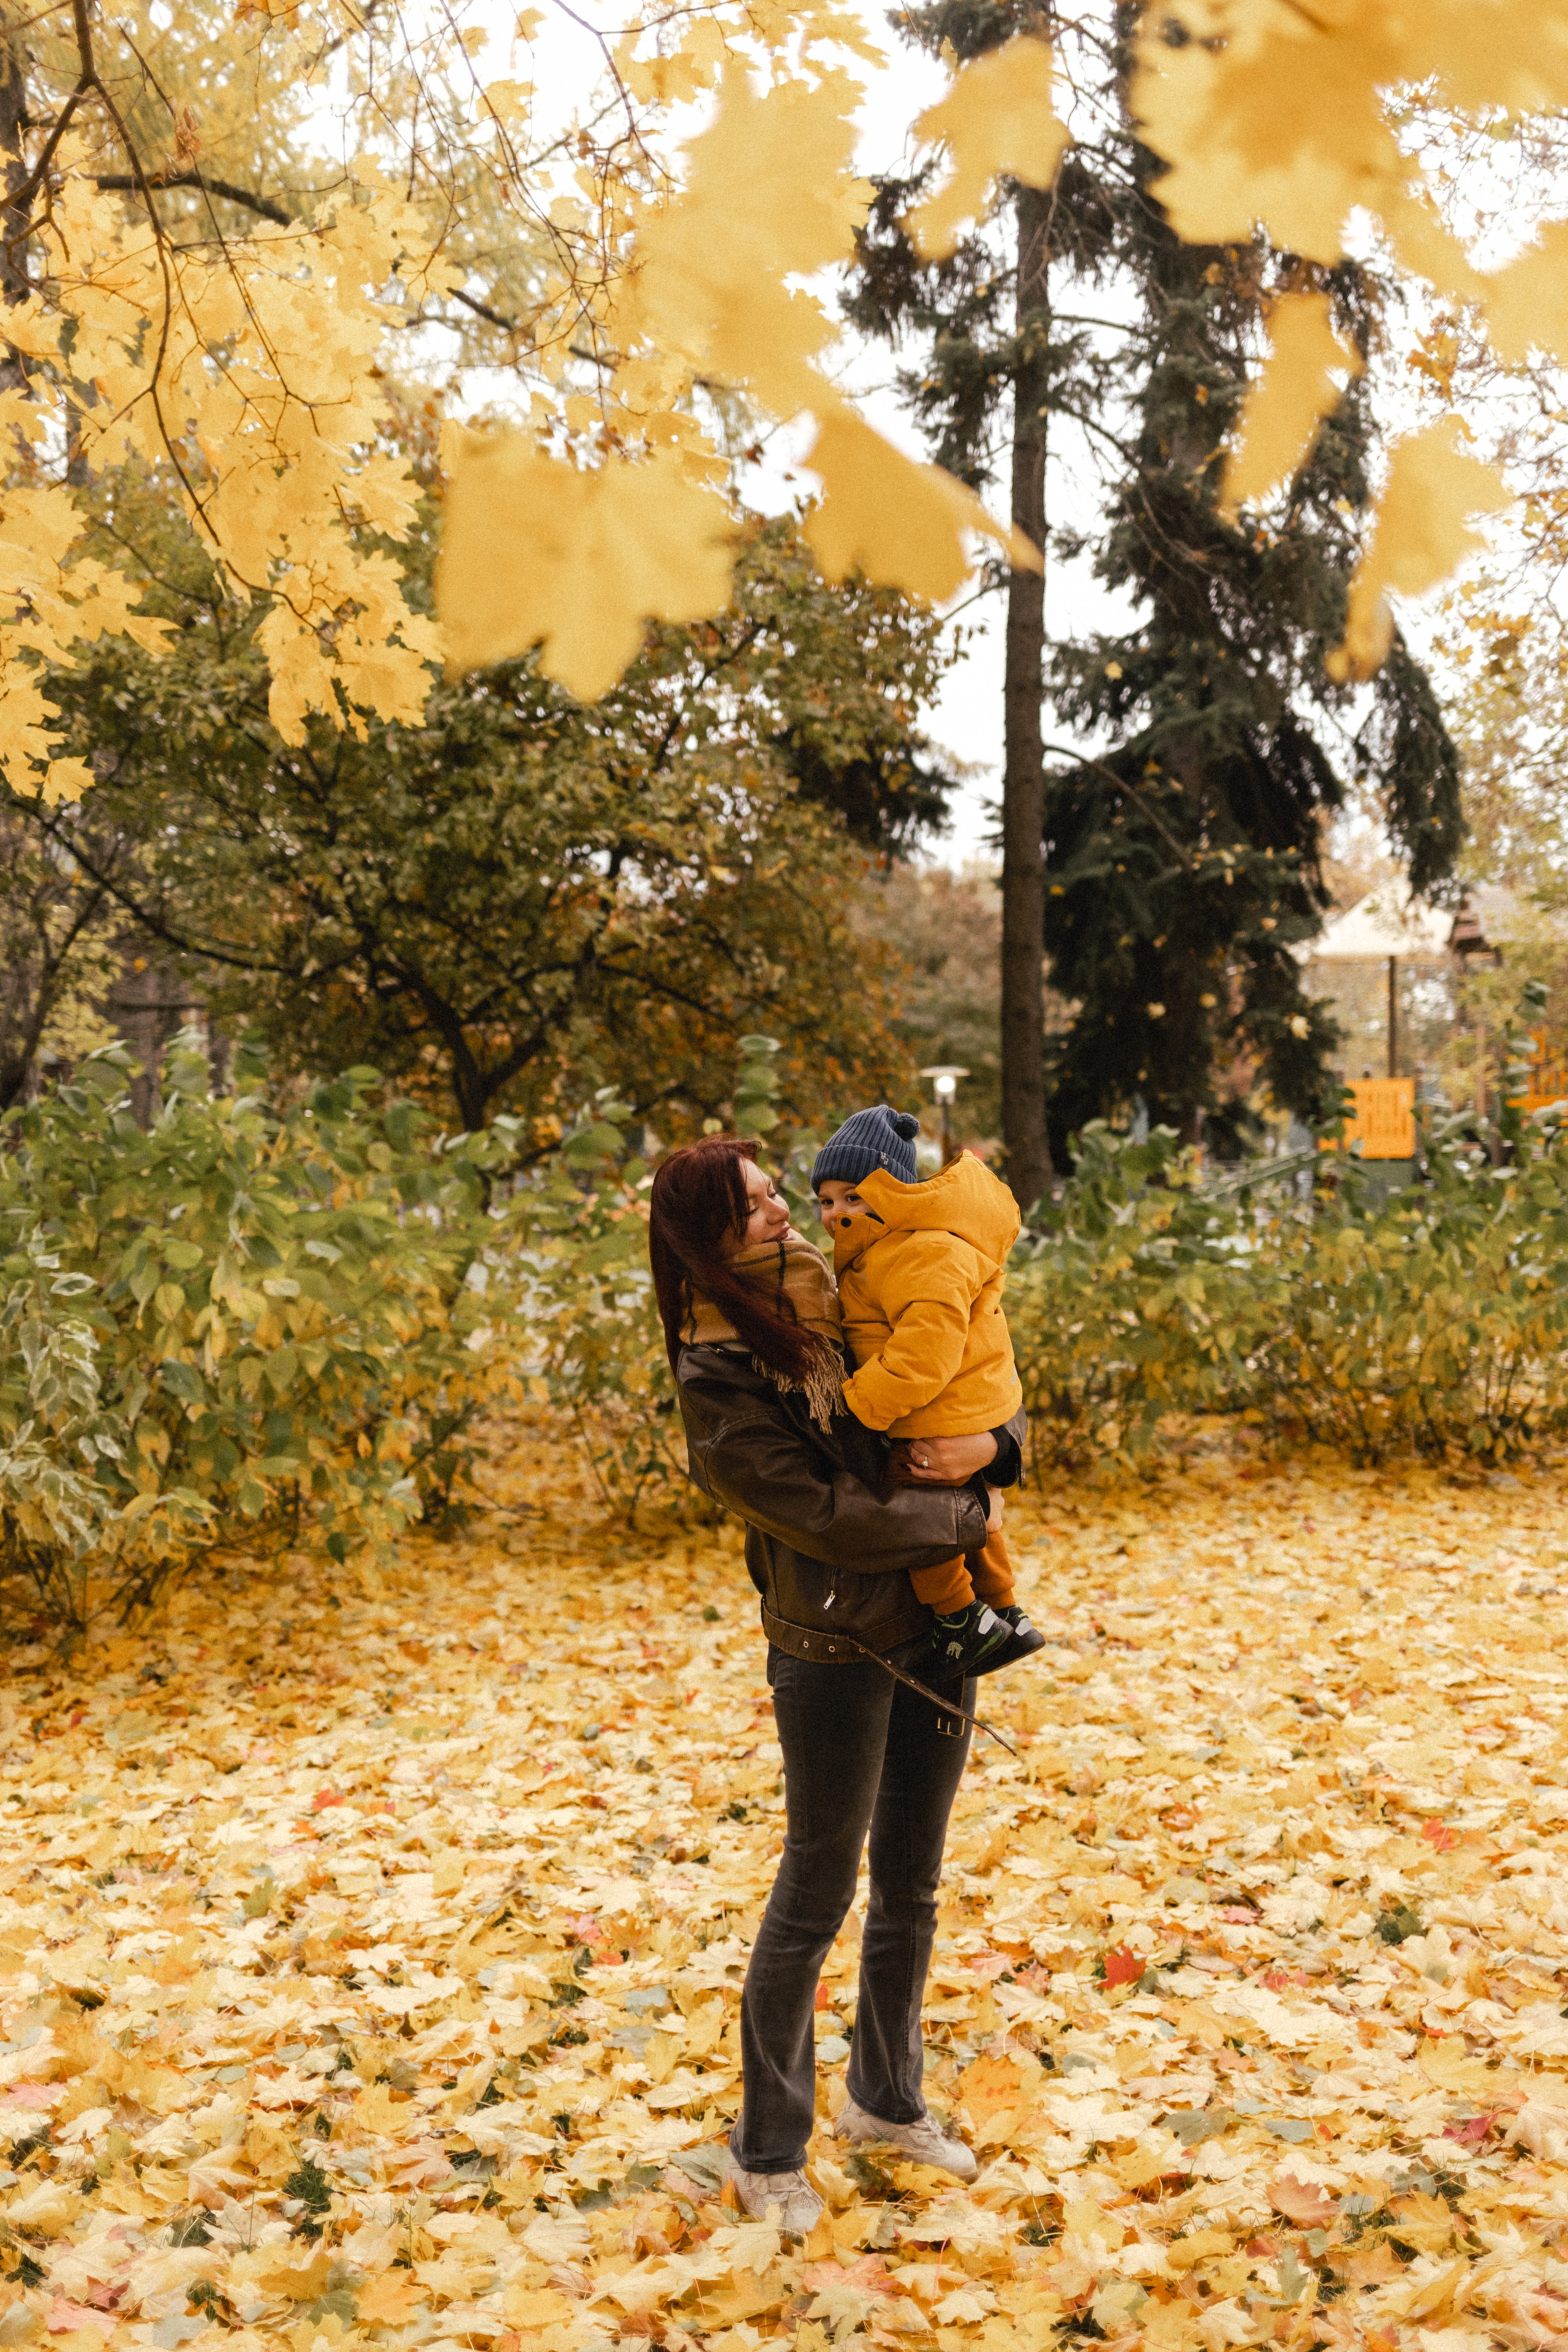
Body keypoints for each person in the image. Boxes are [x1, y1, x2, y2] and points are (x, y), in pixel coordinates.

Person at [650, 1135, 1025, 2234]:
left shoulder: (851, 1284)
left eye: (779, 1195)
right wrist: (968, 1514)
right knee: (816, 1895)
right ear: (711, 1239)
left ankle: (884, 2099)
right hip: (832, 1648)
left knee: (912, 1881)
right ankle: (768, 2148)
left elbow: (975, 1375)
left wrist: (994, 1450)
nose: (786, 1215)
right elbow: (824, 1513)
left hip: (933, 1624)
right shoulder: (716, 1368)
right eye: (758, 1207)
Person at [812, 1103, 1046, 1682]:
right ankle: (1004, 1609)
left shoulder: (916, 1251)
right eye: (826, 1200)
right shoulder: (895, 1251)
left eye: (854, 1197)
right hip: (965, 1408)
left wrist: (855, 1405)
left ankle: (958, 1619)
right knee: (971, 1515)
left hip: (938, 1413)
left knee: (920, 1513)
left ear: (896, 1193)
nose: (836, 1213)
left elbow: (923, 1358)